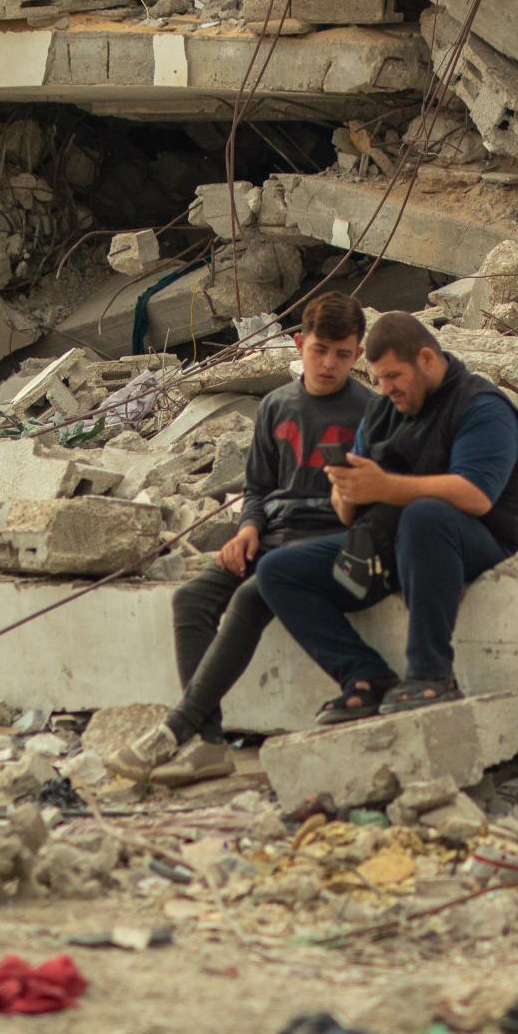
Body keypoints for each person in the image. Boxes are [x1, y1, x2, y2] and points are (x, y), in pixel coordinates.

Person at [112, 293, 369, 786]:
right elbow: (258, 488)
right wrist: (247, 529)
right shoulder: (276, 406)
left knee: (255, 595)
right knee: (191, 599)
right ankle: (209, 744)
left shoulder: (369, 413)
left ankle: (176, 729)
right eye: (319, 350)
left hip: (325, 545)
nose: (329, 363)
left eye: (342, 354)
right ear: (299, 344)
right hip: (270, 538)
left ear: (357, 354)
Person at [253, 311, 518, 723]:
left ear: (426, 360)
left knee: (426, 515)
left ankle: (431, 674)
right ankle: (364, 677)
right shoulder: (383, 410)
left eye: (394, 376)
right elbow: (347, 514)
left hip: (475, 542)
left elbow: (475, 496)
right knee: (277, 570)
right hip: (390, 546)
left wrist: (384, 487)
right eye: (379, 378)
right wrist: (348, 489)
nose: (386, 389)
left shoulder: (482, 407)